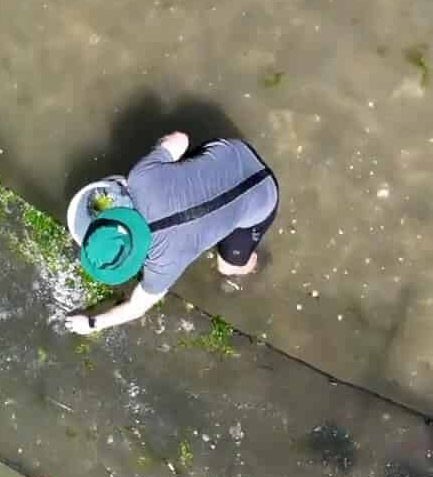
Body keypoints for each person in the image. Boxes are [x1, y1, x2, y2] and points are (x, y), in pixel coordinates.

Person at [64, 132, 277, 335]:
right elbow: (180, 139)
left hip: (265, 198)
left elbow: (136, 308)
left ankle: (251, 263)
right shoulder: (140, 176)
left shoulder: (162, 266)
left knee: (227, 268)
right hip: (233, 151)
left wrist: (92, 323)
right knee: (181, 165)